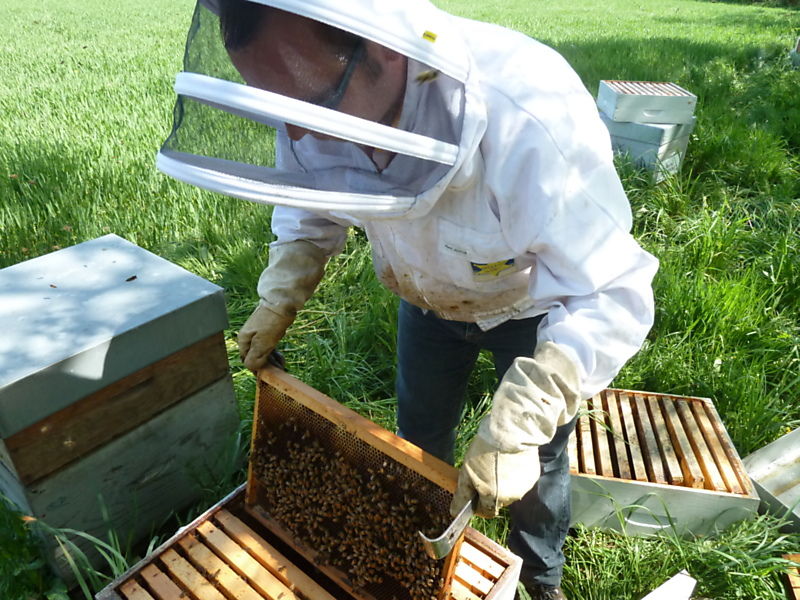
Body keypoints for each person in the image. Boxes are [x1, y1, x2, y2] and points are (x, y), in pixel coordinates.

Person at [158, 1, 658, 598]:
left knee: (537, 462)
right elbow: (310, 193)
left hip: (531, 309)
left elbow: (607, 287)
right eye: (278, 109)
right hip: (424, 302)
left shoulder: (527, 115)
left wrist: (527, 415)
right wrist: (282, 289)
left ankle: (538, 577)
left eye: (312, 106)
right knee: (417, 442)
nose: (296, 133)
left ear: (385, 49)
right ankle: (418, 553)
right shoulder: (313, 100)